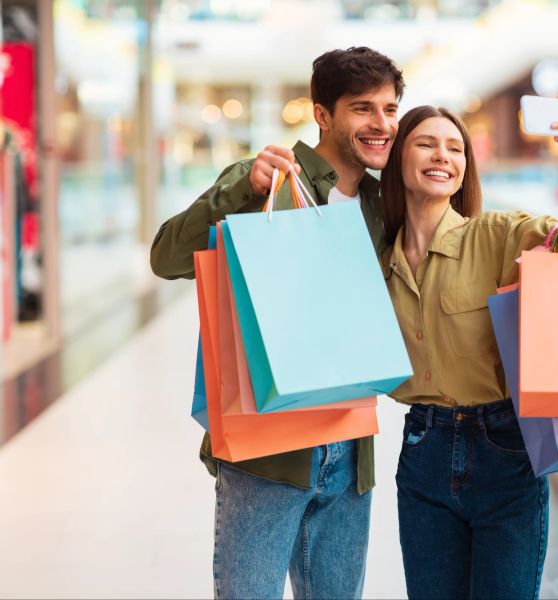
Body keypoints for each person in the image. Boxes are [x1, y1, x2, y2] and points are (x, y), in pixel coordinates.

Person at [149, 47, 403, 599]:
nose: (381, 124)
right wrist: (244, 190)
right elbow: (166, 257)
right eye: (363, 108)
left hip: (350, 440)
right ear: (322, 114)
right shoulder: (267, 180)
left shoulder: (387, 205)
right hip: (267, 445)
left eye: (389, 108)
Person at [378, 97, 558, 599]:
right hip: (423, 450)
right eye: (426, 143)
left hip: (505, 450)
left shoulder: (498, 234)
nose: (443, 156)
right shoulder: (379, 258)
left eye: (455, 148)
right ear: (399, 158)